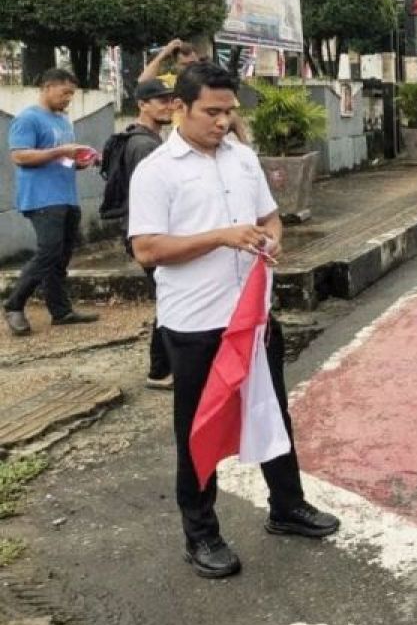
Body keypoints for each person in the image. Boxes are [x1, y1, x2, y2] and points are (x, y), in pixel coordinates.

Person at [128, 62, 340, 579]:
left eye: (229, 111)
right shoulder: (156, 170)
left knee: (271, 410)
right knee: (198, 428)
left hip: (252, 315)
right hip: (196, 322)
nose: (223, 122)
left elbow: (270, 217)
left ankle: (287, 506)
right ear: (180, 108)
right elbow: (147, 249)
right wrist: (221, 237)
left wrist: (272, 239)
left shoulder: (243, 158)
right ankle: (201, 533)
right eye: (211, 112)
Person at [4, 69, 99, 336]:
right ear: (47, 87)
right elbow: (20, 156)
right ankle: (13, 305)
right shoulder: (28, 118)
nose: (68, 98)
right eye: (65, 92)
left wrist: (80, 162)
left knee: (60, 257)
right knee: (49, 251)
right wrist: (61, 151)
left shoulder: (63, 121)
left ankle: (61, 311)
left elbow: (61, 159)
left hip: (66, 196)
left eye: (72, 94)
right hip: (42, 198)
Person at [99, 79, 176, 388]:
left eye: (170, 100)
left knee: (169, 296)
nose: (168, 106)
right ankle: (160, 370)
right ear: (143, 105)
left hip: (144, 231)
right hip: (149, 234)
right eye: (161, 101)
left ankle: (163, 368)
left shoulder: (139, 138)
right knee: (171, 298)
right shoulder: (144, 146)